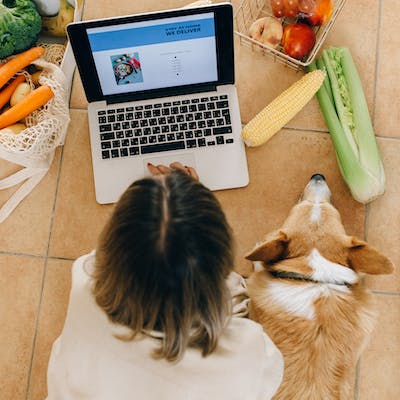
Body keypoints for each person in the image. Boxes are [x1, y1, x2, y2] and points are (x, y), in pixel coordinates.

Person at [46, 162, 284, 400]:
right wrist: (192, 207)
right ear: (220, 265)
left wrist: (180, 209)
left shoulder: (83, 281)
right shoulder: (247, 354)